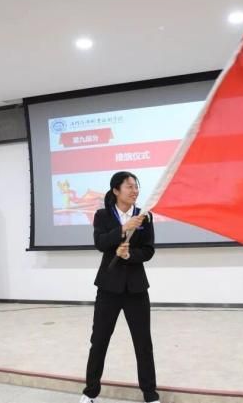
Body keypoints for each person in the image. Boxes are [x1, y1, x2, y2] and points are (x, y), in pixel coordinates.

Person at [79, 171, 160, 403]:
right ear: (116, 190)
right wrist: (124, 228)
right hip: (108, 288)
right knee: (99, 341)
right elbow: (100, 242)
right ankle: (90, 392)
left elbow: (148, 251)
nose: (135, 191)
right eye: (129, 186)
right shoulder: (102, 215)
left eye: (136, 186)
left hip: (136, 289)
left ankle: (150, 394)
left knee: (143, 343)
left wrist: (129, 255)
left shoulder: (145, 216)